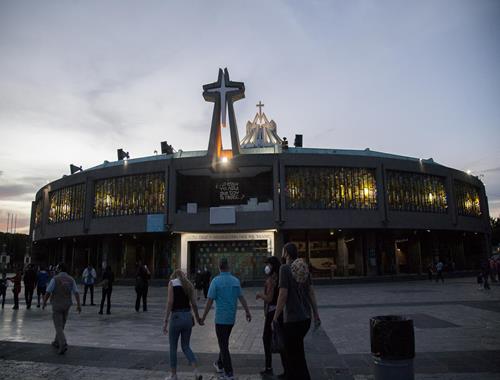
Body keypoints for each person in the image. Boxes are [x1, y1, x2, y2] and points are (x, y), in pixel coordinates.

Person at [273, 243, 321, 380]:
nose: (282, 254)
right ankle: (296, 376)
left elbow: (283, 294)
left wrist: (275, 317)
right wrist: (316, 314)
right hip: (306, 318)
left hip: (293, 319)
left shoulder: (285, 269)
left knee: (293, 354)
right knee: (297, 351)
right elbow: (311, 292)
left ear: (286, 253)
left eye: (283, 251)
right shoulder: (304, 267)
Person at [200, 257, 252, 380]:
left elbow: (209, 302)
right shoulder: (235, 281)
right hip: (231, 319)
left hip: (220, 319)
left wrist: (203, 318)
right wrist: (247, 311)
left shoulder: (215, 281)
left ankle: (229, 373)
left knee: (223, 345)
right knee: (224, 342)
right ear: (228, 266)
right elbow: (241, 297)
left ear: (219, 267)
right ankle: (219, 363)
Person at [163, 269, 203, 380]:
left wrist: (165, 321)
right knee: (186, 346)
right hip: (187, 317)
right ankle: (196, 372)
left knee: (173, 347)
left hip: (176, 317)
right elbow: (194, 304)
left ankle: (173, 375)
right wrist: (197, 317)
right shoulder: (188, 285)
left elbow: (170, 302)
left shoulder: (172, 283)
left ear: (174, 276)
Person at [42, 263, 81, 355]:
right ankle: (56, 341)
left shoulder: (55, 279)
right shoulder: (71, 279)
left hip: (57, 304)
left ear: (59, 269)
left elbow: (48, 292)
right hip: (67, 304)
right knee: (62, 323)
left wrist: (44, 302)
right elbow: (76, 292)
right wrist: (79, 305)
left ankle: (63, 344)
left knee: (58, 326)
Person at [256, 256, 285, 377]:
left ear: (272, 265)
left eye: (268, 264)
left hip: (272, 313)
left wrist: (260, 295)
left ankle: (269, 367)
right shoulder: (279, 277)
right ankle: (286, 368)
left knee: (266, 339)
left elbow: (269, 298)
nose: (266, 267)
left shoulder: (271, 280)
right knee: (281, 339)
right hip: (280, 312)